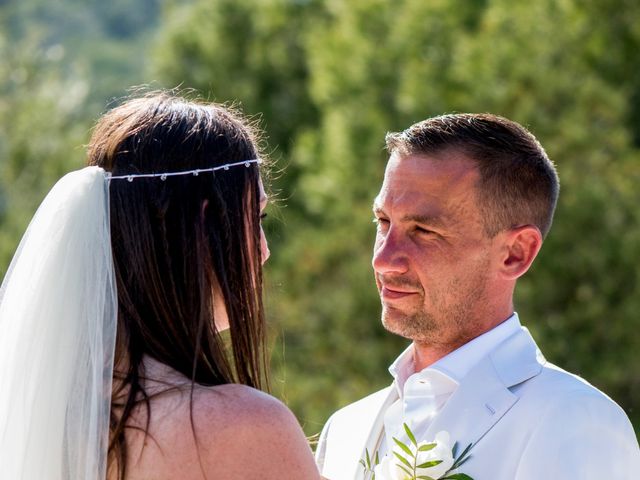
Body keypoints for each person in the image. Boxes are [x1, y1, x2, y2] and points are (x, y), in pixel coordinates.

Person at [0, 92, 320, 480]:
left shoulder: (48, 415)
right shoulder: (245, 427)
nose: (264, 252)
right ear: (205, 229)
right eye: (255, 218)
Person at [315, 113, 640, 480]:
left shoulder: (577, 421)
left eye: (423, 230)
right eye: (383, 223)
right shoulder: (345, 429)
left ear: (515, 252)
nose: (383, 260)